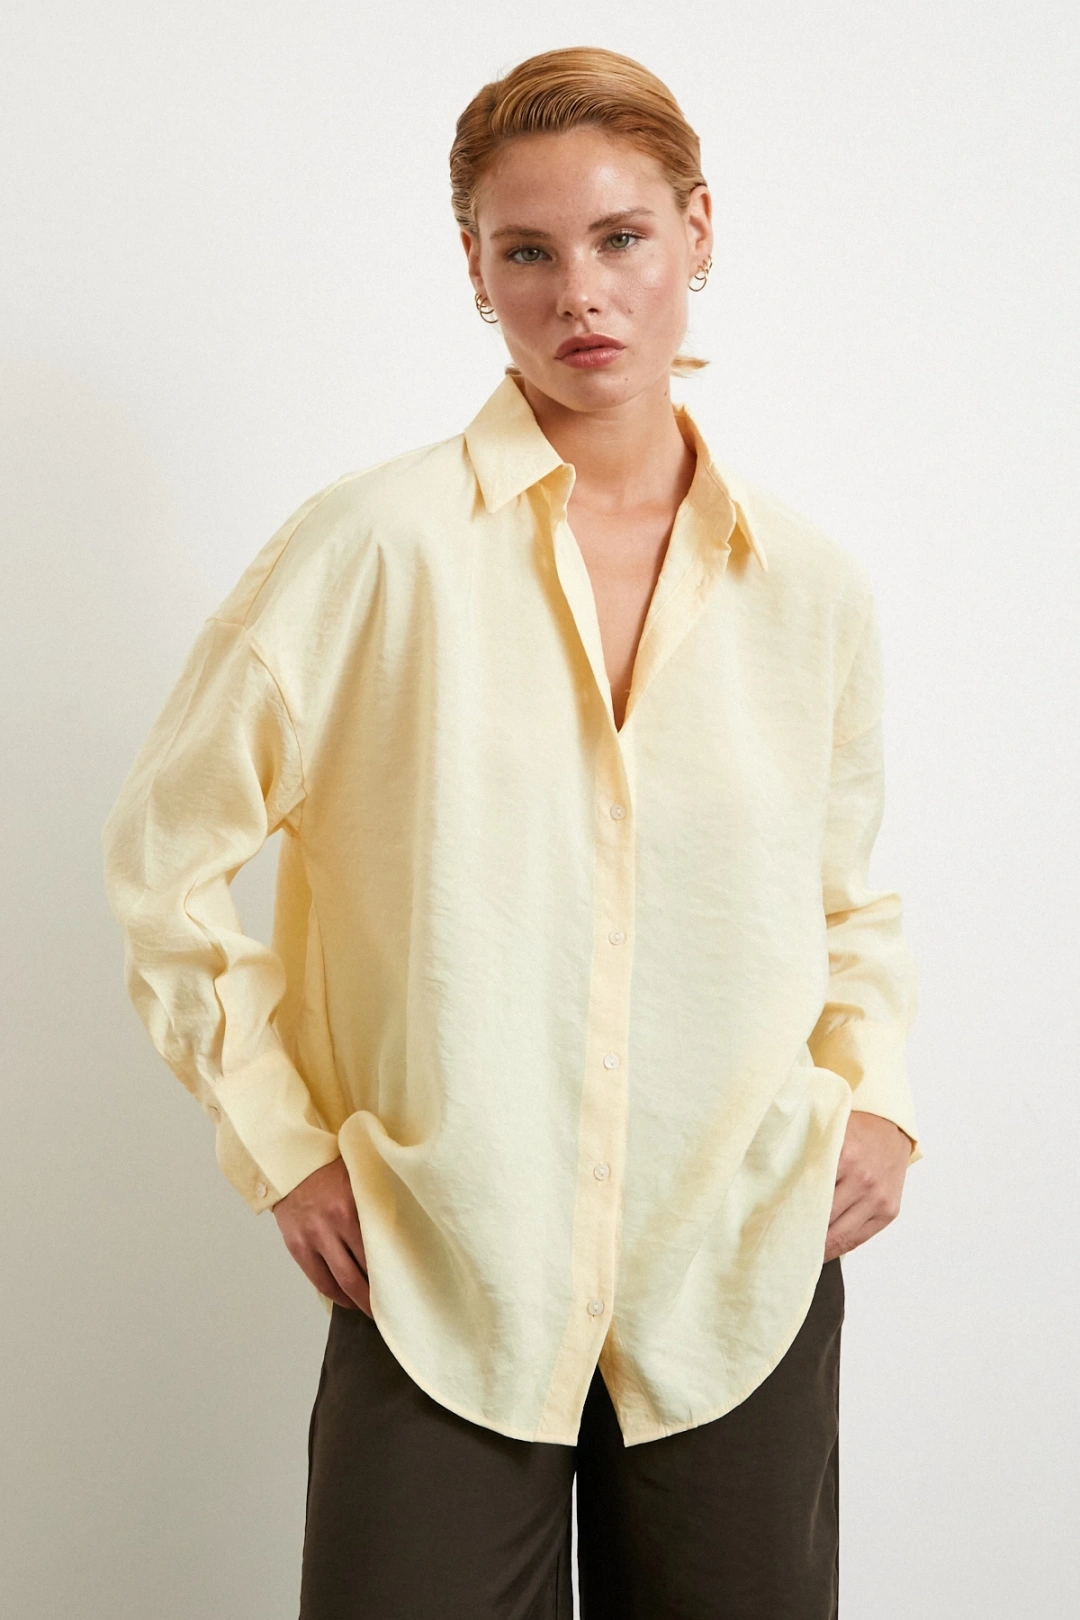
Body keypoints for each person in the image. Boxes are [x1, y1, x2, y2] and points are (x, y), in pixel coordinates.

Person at [101, 44, 922, 1620]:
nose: (580, 294)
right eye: (527, 251)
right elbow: (166, 862)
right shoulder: (371, 553)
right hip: (445, 1264)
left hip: (739, 1260)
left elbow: (845, 894)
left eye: (621, 237)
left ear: (698, 231)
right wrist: (283, 1145)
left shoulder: (808, 587)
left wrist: (877, 1100)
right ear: (473, 270)